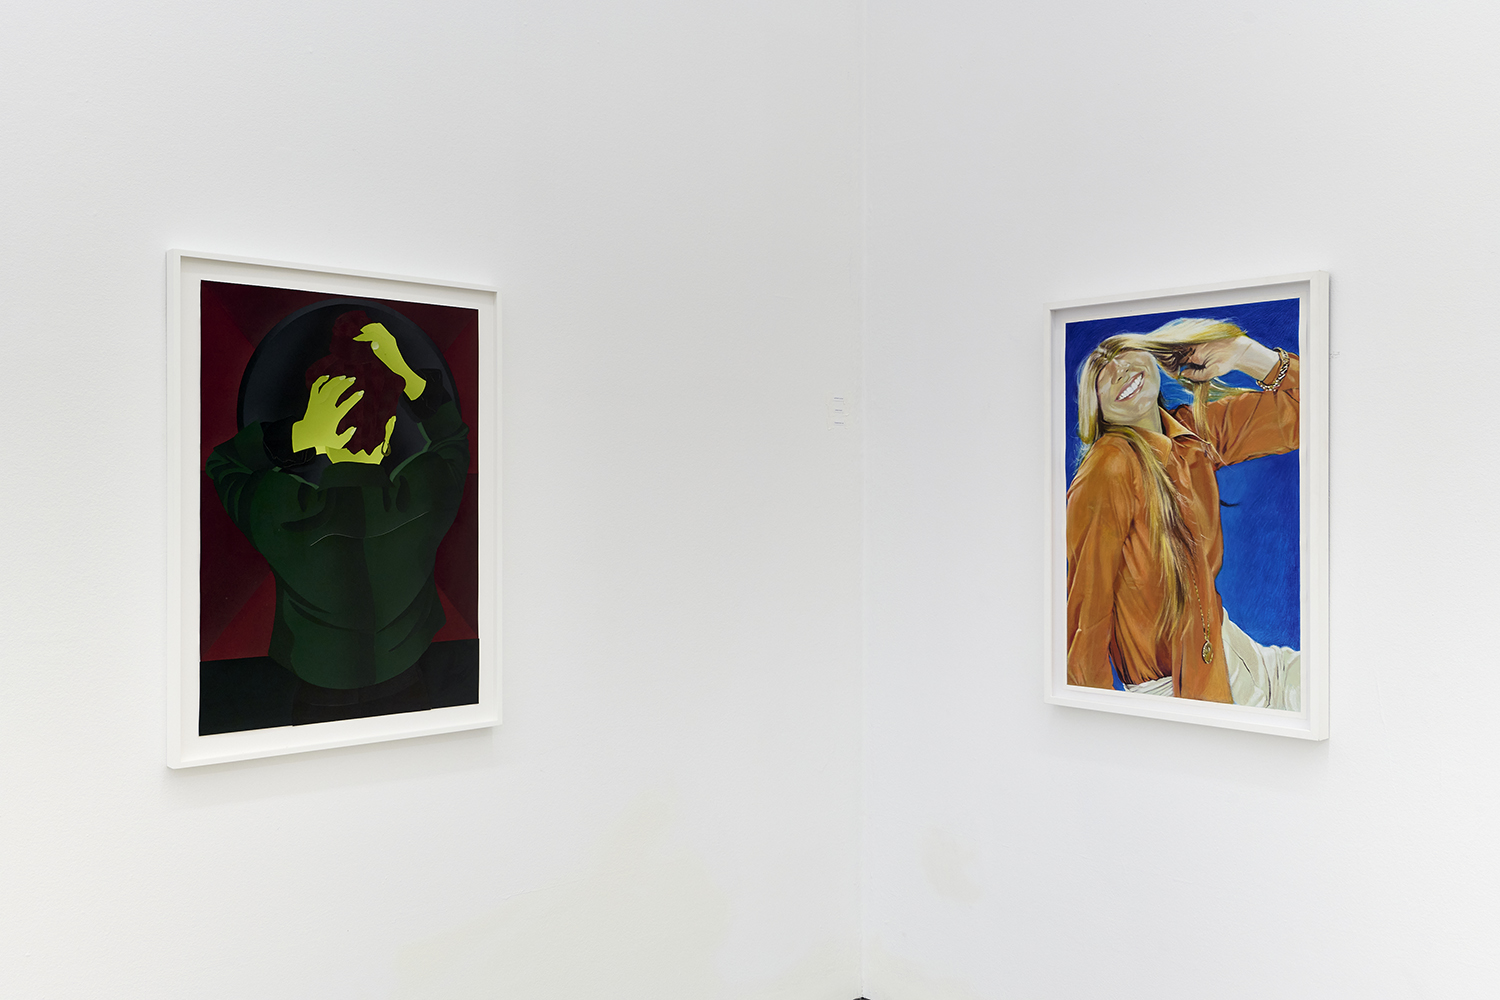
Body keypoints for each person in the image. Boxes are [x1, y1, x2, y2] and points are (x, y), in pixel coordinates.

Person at [206, 309, 469, 721]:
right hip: (410, 686)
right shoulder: (426, 492)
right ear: (388, 431)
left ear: (324, 438)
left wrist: (300, 433)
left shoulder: (279, 508)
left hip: (317, 699)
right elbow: (452, 434)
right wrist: (404, 371)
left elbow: (223, 463)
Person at [1066, 318, 1300, 708]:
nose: (1119, 368)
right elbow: (1085, 618)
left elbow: (1310, 410)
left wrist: (1242, 353)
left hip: (1237, 656)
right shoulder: (1109, 467)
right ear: (1097, 408)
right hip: (1183, 688)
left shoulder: (1192, 434)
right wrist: (1097, 719)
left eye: (1124, 353)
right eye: (1102, 372)